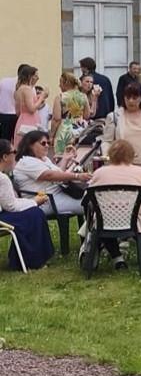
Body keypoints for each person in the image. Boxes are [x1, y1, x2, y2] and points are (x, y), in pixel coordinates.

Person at [85, 139, 141, 270]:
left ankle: (117, 257)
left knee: (99, 220)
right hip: (135, 220)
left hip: (106, 220)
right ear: (131, 155)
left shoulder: (99, 173)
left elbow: (88, 198)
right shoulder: (140, 172)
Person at [0, 137, 56, 270]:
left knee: (31, 214)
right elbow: (11, 206)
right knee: (34, 215)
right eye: (14, 152)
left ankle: (21, 259)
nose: (16, 155)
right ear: (5, 156)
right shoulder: (2, 179)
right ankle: (32, 261)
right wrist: (35, 201)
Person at [13, 129, 90, 220]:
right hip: (45, 201)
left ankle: (90, 232)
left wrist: (65, 159)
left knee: (93, 198)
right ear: (30, 145)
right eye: (43, 143)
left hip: (58, 195)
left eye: (48, 143)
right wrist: (77, 176)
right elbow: (49, 175)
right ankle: (97, 233)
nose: (47, 146)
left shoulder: (44, 159)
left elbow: (58, 174)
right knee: (92, 203)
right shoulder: (26, 162)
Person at [50, 72, 92, 153]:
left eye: (60, 83)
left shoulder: (60, 97)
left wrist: (51, 136)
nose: (59, 85)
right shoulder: (83, 96)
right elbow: (87, 115)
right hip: (81, 129)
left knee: (62, 157)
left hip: (65, 130)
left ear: (66, 83)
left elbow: (56, 119)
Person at [13, 65, 43, 137]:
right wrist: (42, 97)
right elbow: (32, 109)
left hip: (21, 120)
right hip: (29, 122)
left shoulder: (18, 90)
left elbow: (17, 111)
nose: (37, 78)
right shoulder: (27, 89)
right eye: (35, 75)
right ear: (30, 76)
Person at [0, 64, 26, 144]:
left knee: (4, 141)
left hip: (4, 115)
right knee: (17, 142)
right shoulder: (26, 86)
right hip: (19, 115)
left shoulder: (4, 81)